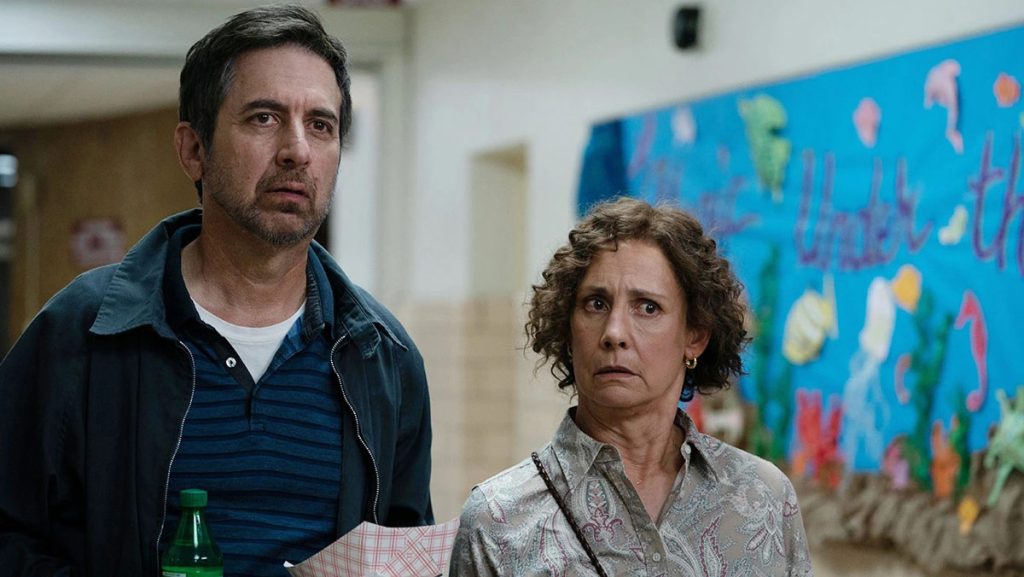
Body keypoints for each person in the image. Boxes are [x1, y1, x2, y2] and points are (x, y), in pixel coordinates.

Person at [0, 5, 432, 576]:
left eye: (320, 125)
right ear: (193, 150)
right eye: (264, 118)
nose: (297, 150)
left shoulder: (382, 357)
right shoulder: (81, 333)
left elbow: (405, 552)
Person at [450, 197, 813, 576]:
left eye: (647, 307)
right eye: (595, 303)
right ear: (568, 329)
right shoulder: (499, 521)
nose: (614, 332)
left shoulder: (762, 497)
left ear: (695, 336)